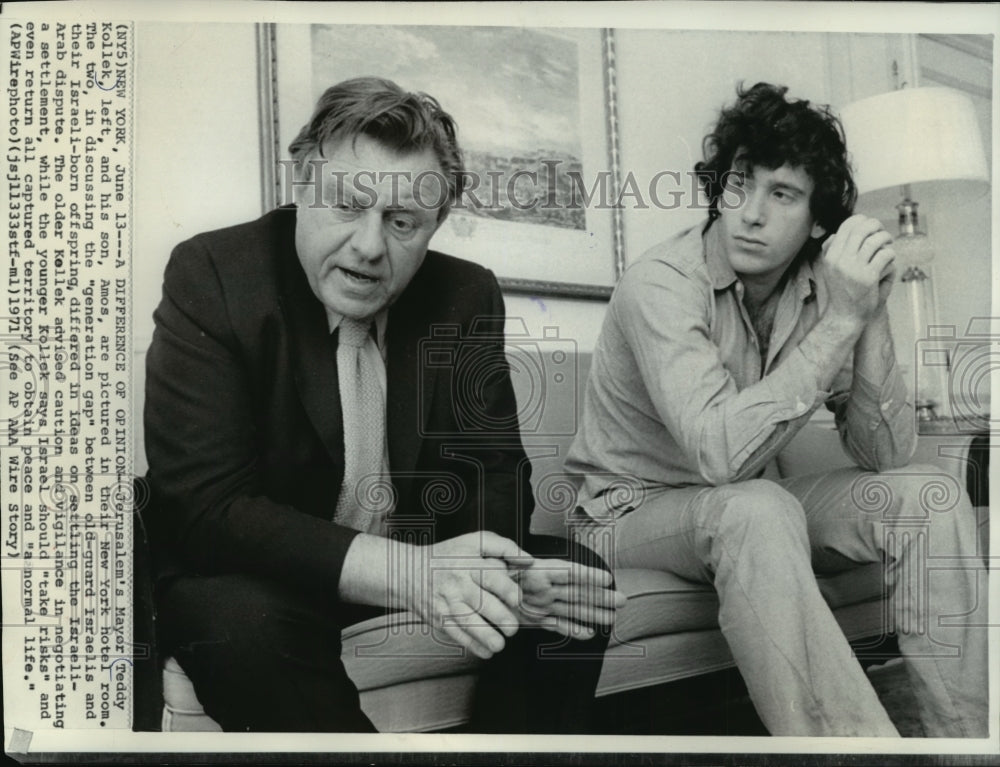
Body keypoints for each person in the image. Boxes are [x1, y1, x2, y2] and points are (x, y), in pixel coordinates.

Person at [143, 76, 625, 733]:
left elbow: (497, 484)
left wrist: (503, 573)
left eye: (402, 222)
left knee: (573, 581)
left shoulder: (464, 294)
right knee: (239, 619)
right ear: (302, 181)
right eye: (348, 204)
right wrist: (410, 573)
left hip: (413, 556)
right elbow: (206, 510)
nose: (371, 246)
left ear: (435, 224)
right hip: (264, 574)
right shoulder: (216, 275)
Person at [564, 82, 987, 737]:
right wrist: (839, 320)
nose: (750, 213)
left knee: (927, 493)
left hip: (752, 503)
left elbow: (886, 455)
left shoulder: (822, 287)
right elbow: (718, 455)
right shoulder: (662, 284)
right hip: (630, 512)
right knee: (758, 507)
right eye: (740, 184)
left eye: (782, 193)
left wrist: (868, 314)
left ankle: (967, 741)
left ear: (819, 219)